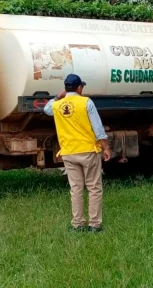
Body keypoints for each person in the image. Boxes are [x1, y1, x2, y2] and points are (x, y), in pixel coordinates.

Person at [43, 74, 111, 232]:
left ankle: (77, 223)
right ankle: (94, 225)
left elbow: (46, 109)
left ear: (65, 89)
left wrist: (58, 96)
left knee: (76, 188)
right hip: (87, 151)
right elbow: (98, 129)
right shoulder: (86, 102)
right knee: (94, 188)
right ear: (79, 88)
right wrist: (106, 147)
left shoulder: (57, 105)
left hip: (68, 152)